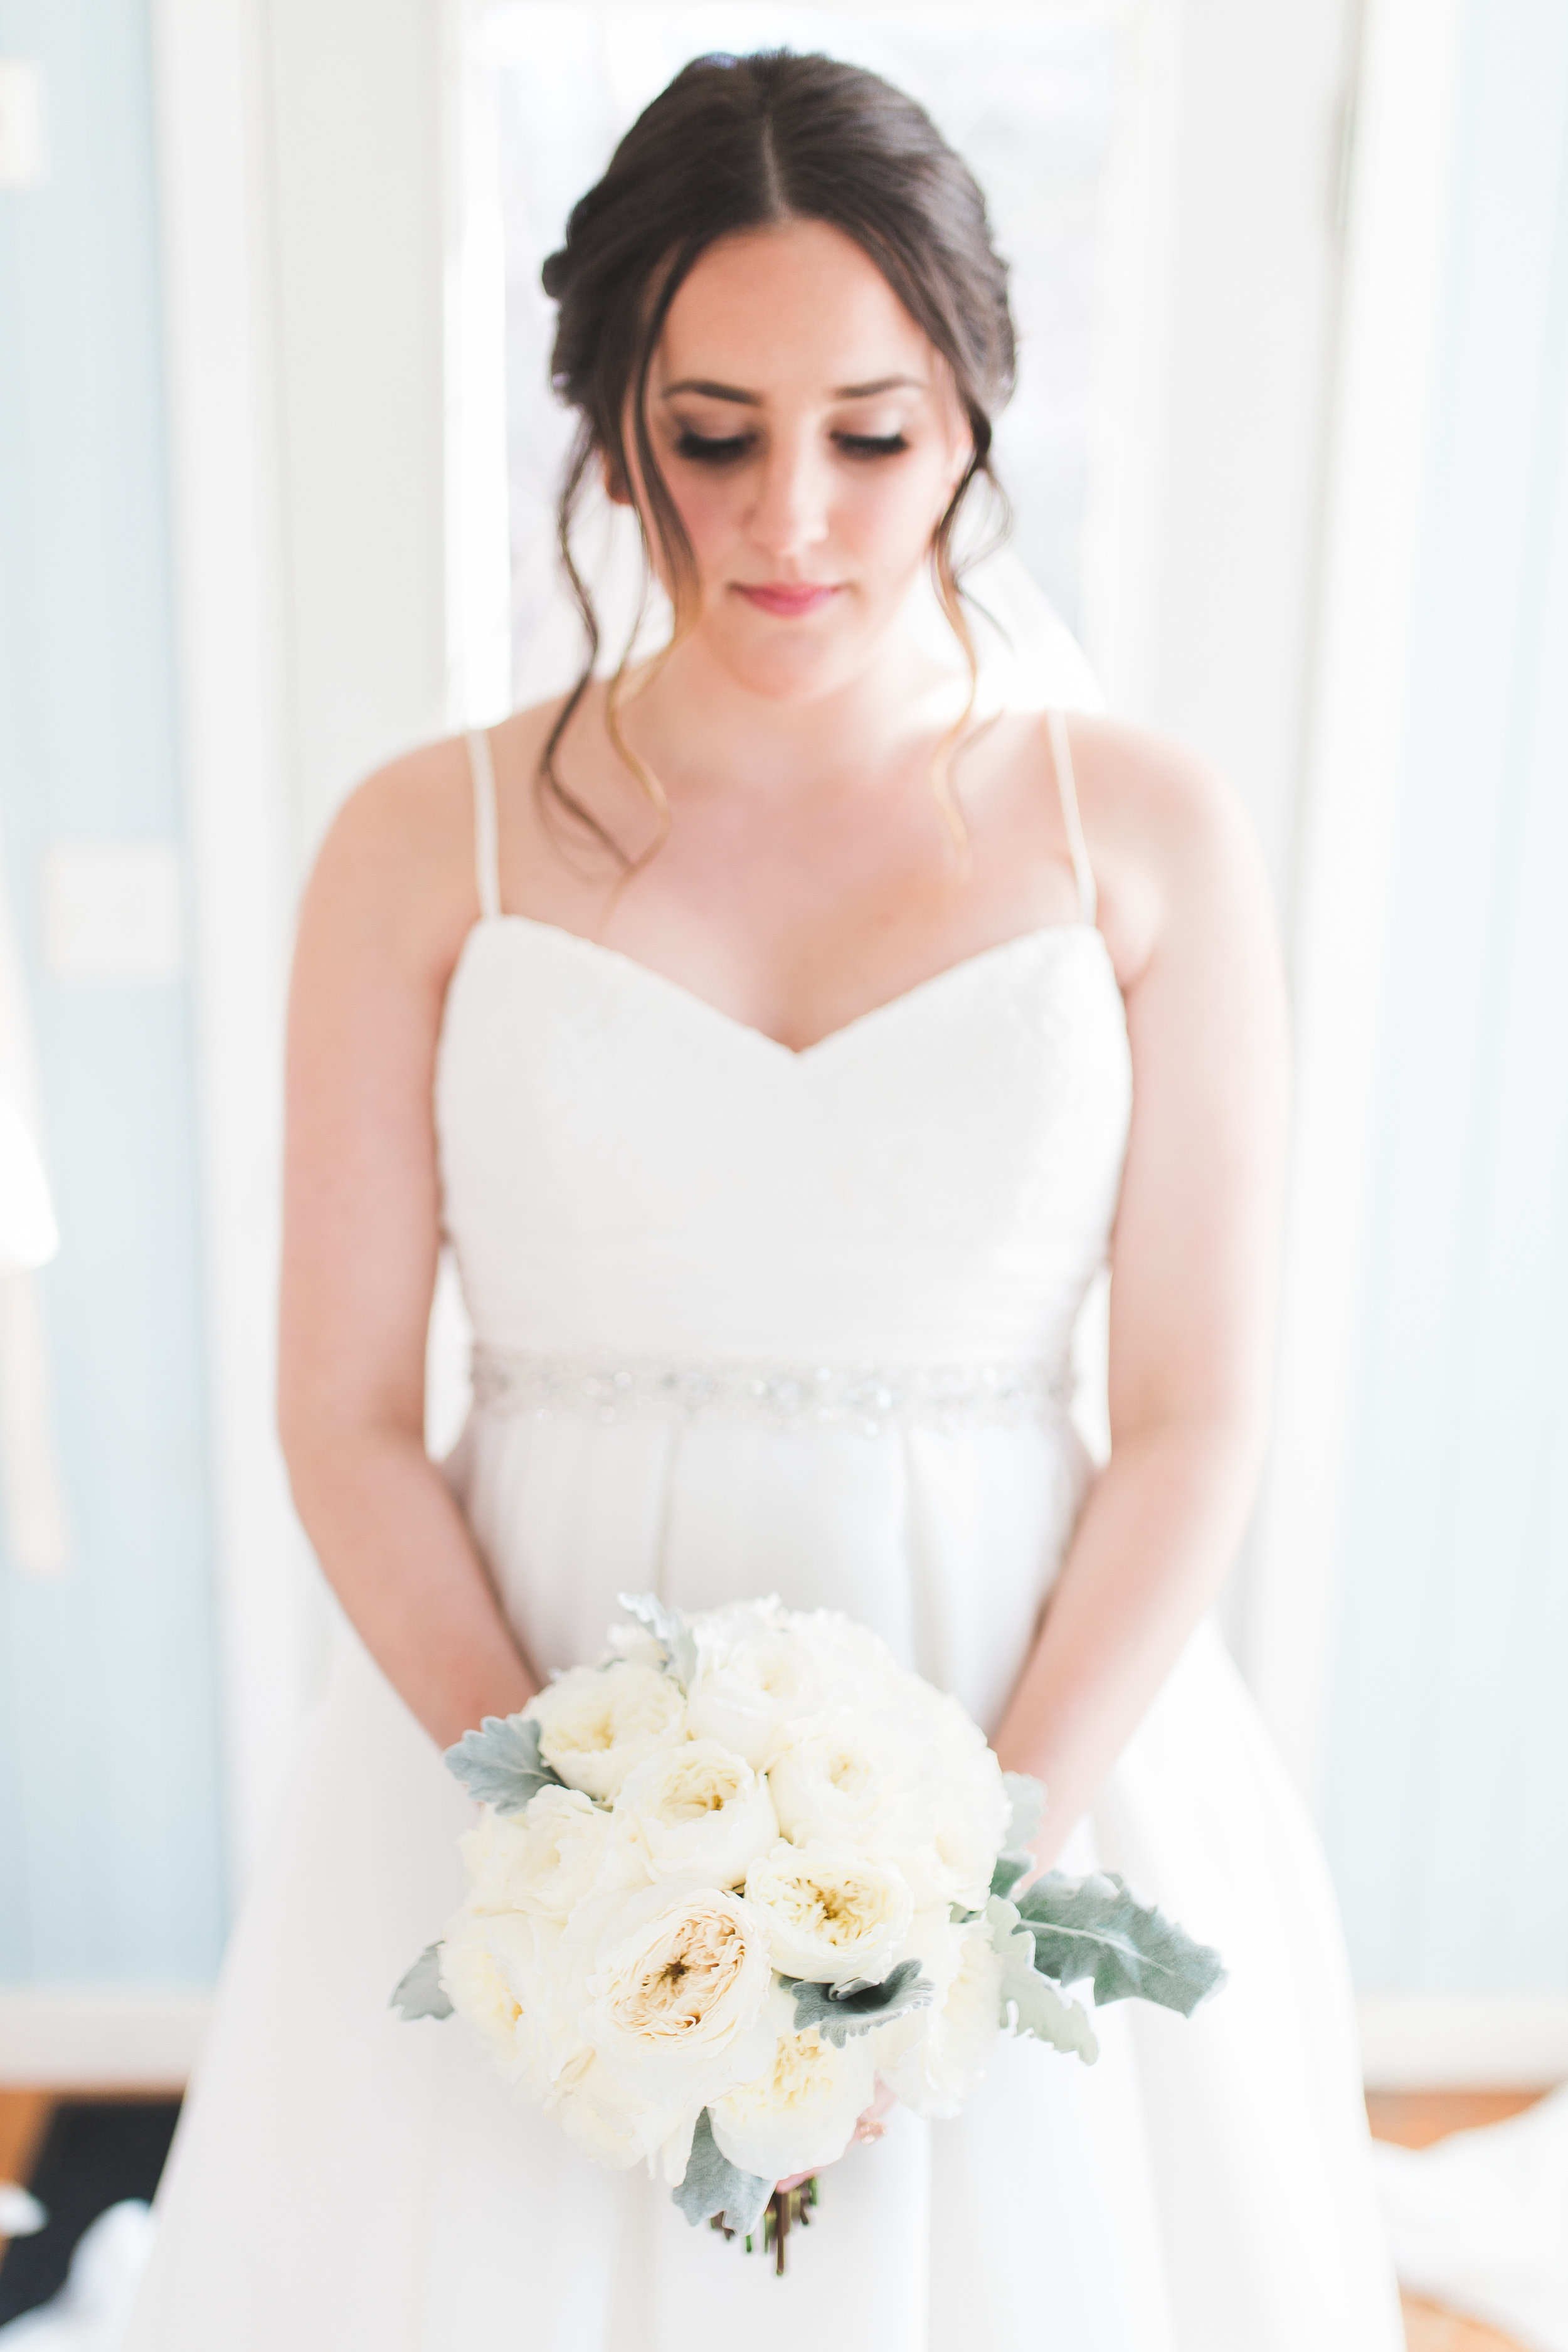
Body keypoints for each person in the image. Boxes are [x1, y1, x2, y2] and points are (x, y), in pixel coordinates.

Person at [125, 50, 1404, 2350]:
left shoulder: (1147, 836)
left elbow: (1198, 1408)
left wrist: (977, 1870)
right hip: (508, 1733)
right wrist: (559, 1837)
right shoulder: (429, 844)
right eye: (708, 434)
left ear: (974, 404)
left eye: (871, 432)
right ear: (609, 410)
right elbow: (340, 1415)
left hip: (1033, 1731)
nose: (788, 515)